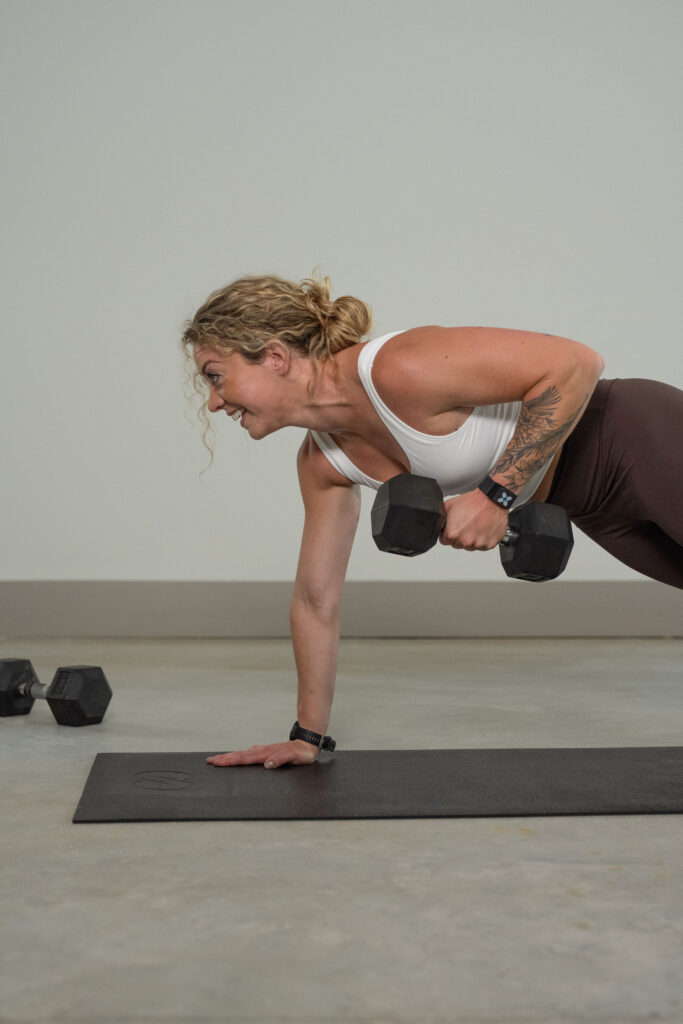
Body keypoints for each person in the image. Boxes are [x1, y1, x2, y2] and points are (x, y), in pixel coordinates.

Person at [181, 272, 683, 770]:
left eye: (215, 375)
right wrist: (307, 737)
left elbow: (576, 363)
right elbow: (316, 600)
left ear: (273, 356)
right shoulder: (322, 463)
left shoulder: (396, 368)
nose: (214, 401)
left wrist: (496, 495)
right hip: (594, 506)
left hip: (639, 436)